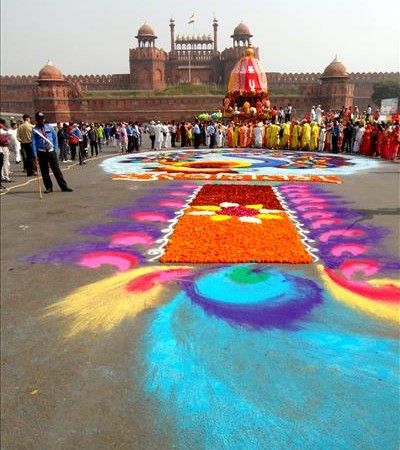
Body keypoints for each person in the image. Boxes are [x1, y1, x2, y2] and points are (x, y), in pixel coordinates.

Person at [31, 112, 73, 193]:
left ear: (44, 119)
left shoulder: (50, 128)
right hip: (41, 152)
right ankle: (49, 187)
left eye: (42, 119)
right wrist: (34, 154)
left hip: (51, 151)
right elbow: (33, 142)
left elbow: (55, 138)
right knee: (44, 171)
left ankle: (64, 186)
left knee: (57, 170)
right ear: (36, 120)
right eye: (39, 119)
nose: (41, 120)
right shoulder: (34, 130)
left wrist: (56, 149)